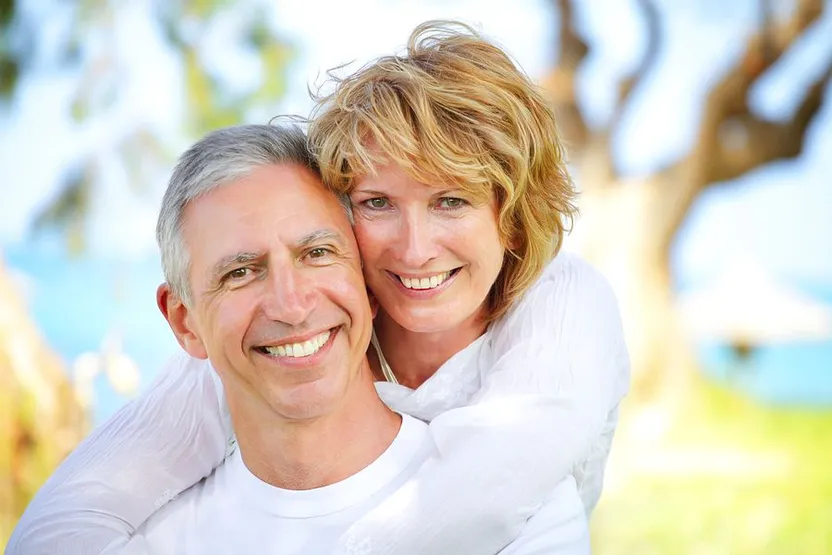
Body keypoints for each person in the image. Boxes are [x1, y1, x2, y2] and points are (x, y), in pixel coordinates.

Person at [8, 21, 629, 555]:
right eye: (377, 202)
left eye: (451, 201)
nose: (415, 249)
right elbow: (71, 518)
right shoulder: (293, 328)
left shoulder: (563, 307)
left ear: (513, 215)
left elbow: (492, 486)